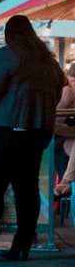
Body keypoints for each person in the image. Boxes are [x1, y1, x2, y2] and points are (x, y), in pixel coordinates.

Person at [0, 15, 66, 263]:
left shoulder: (8, 55)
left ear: (9, 35)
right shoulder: (47, 61)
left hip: (5, 131)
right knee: (27, 189)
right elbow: (59, 89)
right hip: (38, 133)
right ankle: (21, 248)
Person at [54, 63, 75, 197]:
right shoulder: (67, 90)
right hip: (64, 136)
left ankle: (66, 182)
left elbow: (55, 114)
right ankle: (66, 182)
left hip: (62, 135)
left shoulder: (66, 90)